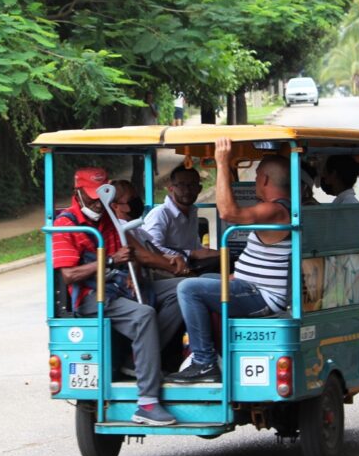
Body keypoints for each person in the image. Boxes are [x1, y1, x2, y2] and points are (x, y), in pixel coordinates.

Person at [52, 168, 185, 426]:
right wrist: (111, 262)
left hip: (117, 287)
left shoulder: (109, 218)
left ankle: (140, 358)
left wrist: (129, 271)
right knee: (144, 315)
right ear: (77, 193)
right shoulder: (65, 224)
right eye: (90, 196)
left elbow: (127, 254)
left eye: (99, 196)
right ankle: (147, 402)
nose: (95, 202)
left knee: (185, 290)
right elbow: (69, 275)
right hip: (91, 296)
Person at [166, 140, 291, 383]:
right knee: (204, 280)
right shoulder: (278, 209)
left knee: (188, 289)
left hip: (261, 296)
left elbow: (228, 214)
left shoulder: (275, 211)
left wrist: (222, 162)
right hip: (251, 287)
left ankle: (204, 362)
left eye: (256, 176)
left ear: (264, 180)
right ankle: (200, 351)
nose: (255, 182)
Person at [142, 165, 220, 263]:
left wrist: (208, 252)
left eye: (192, 185)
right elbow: (151, 249)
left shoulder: (192, 212)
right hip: (169, 271)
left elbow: (194, 247)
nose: (187, 190)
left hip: (191, 266)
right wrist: (190, 254)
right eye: (181, 185)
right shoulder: (160, 214)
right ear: (171, 188)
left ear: (199, 189)